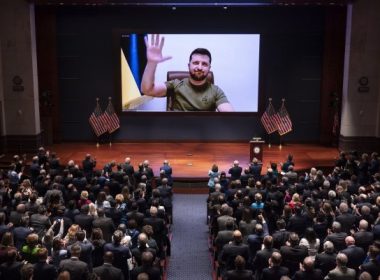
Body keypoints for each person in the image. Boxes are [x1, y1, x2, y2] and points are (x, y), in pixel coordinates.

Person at [141, 34, 234, 112]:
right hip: (177, 131)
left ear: (209, 68)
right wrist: (151, 63)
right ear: (189, 65)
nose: (200, 67)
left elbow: (231, 117)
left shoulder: (216, 91)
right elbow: (147, 90)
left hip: (204, 132)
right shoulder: (175, 84)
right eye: (196, 63)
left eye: (204, 64)